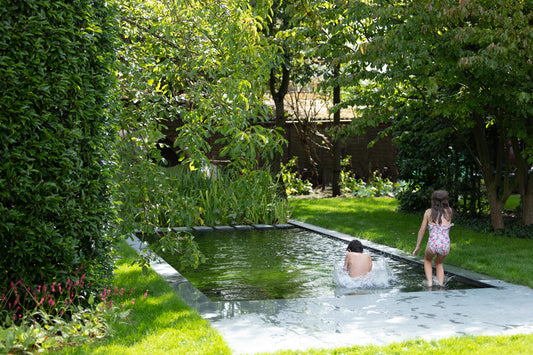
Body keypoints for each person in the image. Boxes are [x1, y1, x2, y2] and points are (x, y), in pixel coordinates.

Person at [413, 190, 454, 287]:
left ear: (433, 201)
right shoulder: (449, 211)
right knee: (438, 263)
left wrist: (417, 245)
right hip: (445, 245)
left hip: (433, 244)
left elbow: (422, 230)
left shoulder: (428, 212)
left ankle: (430, 283)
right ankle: (440, 285)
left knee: (427, 260)